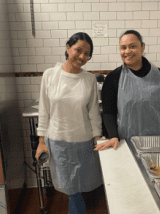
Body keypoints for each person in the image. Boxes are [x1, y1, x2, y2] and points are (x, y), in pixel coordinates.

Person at [35, 32, 102, 214]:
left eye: (87, 53)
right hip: (58, 142)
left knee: (79, 186)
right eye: (78, 50)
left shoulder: (89, 79)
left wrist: (98, 139)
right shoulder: (50, 75)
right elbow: (44, 110)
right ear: (67, 48)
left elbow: (94, 113)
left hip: (84, 142)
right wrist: (41, 142)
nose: (82, 57)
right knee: (71, 189)